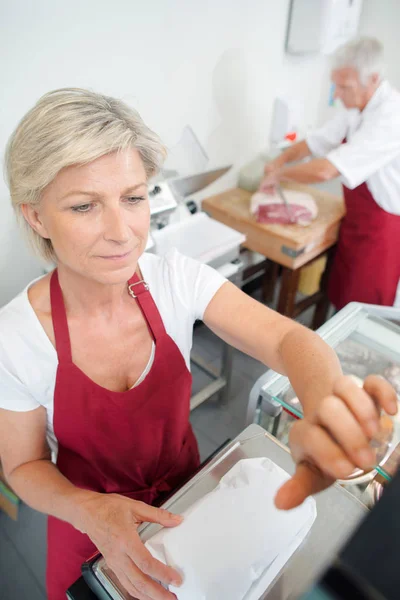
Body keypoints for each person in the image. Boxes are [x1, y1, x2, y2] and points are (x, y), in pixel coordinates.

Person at [0, 88, 397, 600]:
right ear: (35, 216)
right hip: (88, 531)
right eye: (84, 206)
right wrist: (90, 510)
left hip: (191, 499)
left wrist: (325, 400)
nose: (122, 232)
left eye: (134, 197)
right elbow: (23, 467)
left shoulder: (175, 281)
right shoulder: (15, 337)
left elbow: (287, 337)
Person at [260, 37, 400, 310]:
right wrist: (281, 159)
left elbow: (326, 170)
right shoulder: (356, 107)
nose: (336, 95)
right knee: (341, 292)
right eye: (335, 85)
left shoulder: (391, 117)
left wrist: (280, 176)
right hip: (356, 221)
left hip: (382, 229)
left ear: (373, 80)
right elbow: (317, 141)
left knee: (364, 307)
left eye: (343, 87)